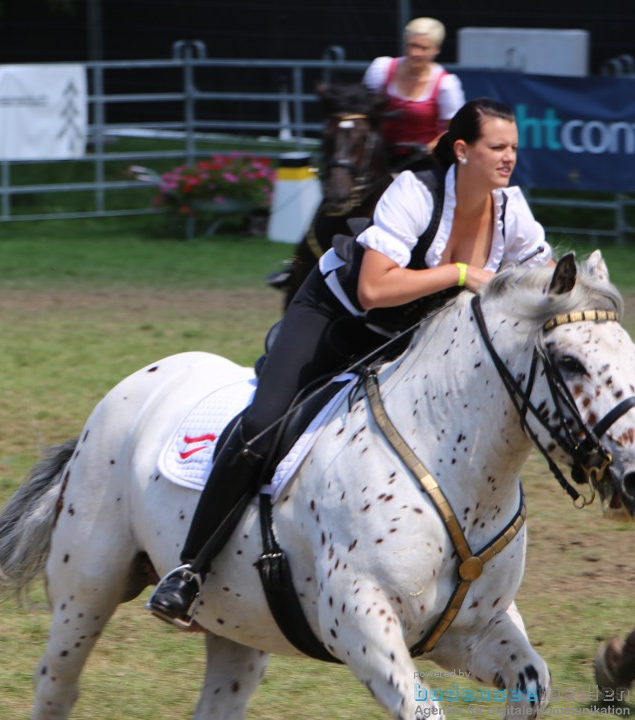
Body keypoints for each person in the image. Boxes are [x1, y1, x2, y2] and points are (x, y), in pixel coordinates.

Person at [148, 98, 552, 626]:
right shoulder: (414, 191)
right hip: (336, 320)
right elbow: (372, 288)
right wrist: (457, 273)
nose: (509, 158)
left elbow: (539, 280)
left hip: (410, 337)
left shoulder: (510, 208)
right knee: (262, 424)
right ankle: (188, 570)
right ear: (462, 150)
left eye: (514, 148)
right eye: (497, 147)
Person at [363, 17, 465, 172]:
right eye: (412, 45)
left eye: (423, 48)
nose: (415, 53)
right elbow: (364, 109)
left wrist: (429, 147)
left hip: (422, 161)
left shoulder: (446, 84)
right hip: (380, 155)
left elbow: (453, 129)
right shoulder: (382, 69)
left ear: (436, 50)